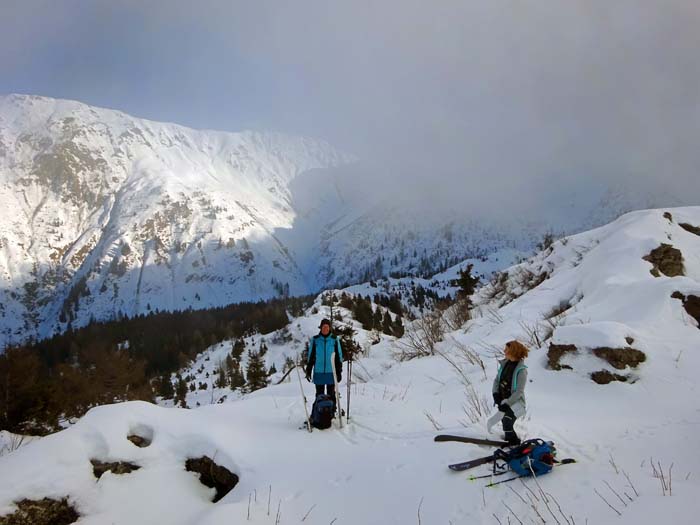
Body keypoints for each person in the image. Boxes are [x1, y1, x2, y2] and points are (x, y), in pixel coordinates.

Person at [492, 340, 529, 445]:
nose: (504, 351)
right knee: (504, 421)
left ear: (513, 351)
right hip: (503, 401)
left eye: (506, 349)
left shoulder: (521, 370)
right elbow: (496, 380)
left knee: (507, 422)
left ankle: (514, 444)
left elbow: (519, 391)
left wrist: (507, 403)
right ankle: (510, 442)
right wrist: (496, 394)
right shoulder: (505, 364)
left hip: (515, 403)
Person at [305, 318, 343, 414]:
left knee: (331, 394)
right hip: (319, 372)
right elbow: (311, 356)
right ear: (321, 328)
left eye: (327, 327)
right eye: (323, 327)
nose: (325, 329)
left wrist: (339, 371)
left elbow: (339, 356)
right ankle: (319, 413)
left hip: (331, 372)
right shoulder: (315, 340)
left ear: (329, 328)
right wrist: (309, 369)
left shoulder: (334, 340)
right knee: (319, 394)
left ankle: (332, 412)